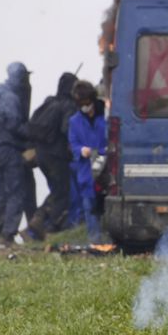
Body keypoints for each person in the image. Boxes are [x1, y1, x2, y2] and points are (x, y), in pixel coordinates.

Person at [23, 72, 78, 239]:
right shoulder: (69, 105)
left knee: (56, 190)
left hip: (41, 155)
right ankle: (48, 228)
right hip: (57, 156)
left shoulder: (49, 102)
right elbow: (66, 129)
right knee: (63, 192)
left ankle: (36, 223)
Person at [0, 62, 32, 247]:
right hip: (10, 150)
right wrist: (32, 133)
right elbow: (14, 126)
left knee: (2, 195)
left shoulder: (0, 96)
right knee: (16, 193)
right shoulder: (11, 98)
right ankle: (7, 236)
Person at [67, 81, 107, 244]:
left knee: (105, 205)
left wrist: (104, 150)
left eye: (87, 103)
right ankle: (95, 241)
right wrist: (80, 150)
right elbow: (73, 142)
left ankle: (109, 238)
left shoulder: (106, 114)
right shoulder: (75, 121)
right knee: (89, 206)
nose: (85, 107)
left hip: (106, 166)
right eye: (81, 105)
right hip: (86, 169)